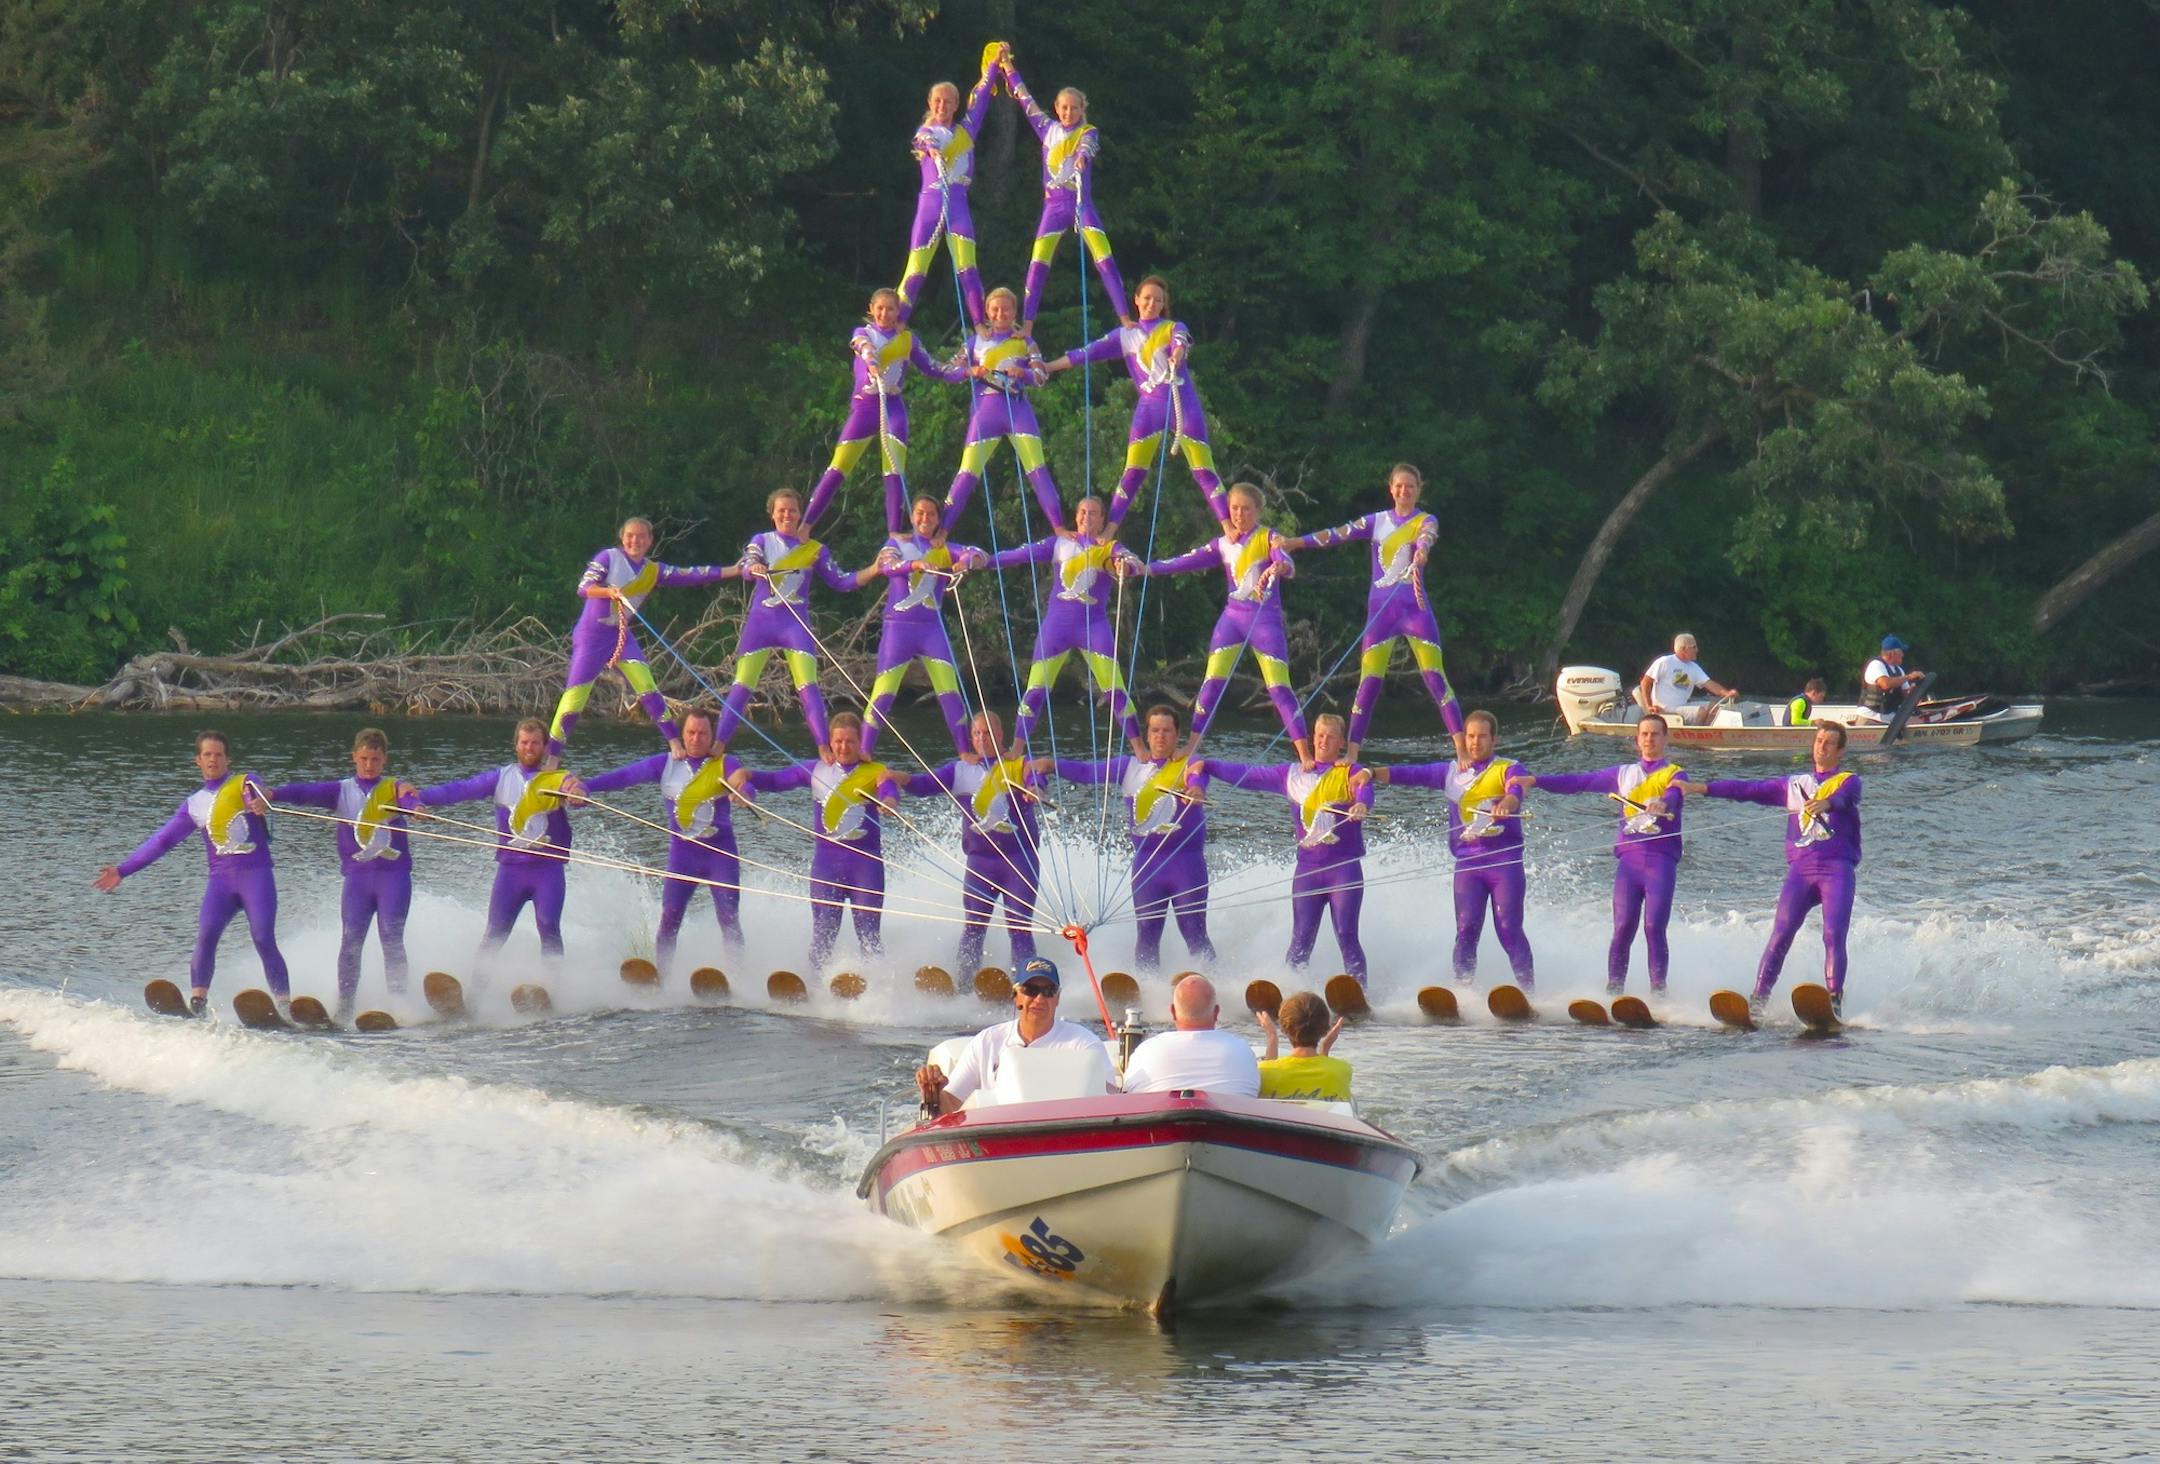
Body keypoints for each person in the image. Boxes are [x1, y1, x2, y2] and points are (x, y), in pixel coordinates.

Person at [94, 729, 290, 1016]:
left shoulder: (244, 783)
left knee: (262, 937)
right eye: (207, 755)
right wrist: (123, 870)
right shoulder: (194, 804)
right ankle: (198, 1002)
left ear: (228, 759)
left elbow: (256, 790)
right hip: (221, 882)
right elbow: (162, 841)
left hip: (256, 875)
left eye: (219, 755)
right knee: (206, 934)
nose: (213, 760)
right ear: (197, 760)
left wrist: (258, 801)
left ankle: (284, 1005)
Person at [1677, 722, 1863, 1018]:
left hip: (1836, 869)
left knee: (1833, 934)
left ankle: (1834, 999)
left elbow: (1845, 799)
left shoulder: (1848, 780)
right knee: (1781, 933)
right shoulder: (1794, 785)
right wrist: (1700, 788)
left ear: (1840, 751)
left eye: (1829, 742)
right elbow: (1747, 789)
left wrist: (1827, 803)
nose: (1821, 746)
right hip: (1801, 870)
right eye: (1818, 740)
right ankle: (1759, 999)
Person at [1121, 481, 1311, 764]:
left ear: (1258, 511)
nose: (1239, 514)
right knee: (1211, 683)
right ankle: (1191, 746)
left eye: (1246, 509)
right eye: (1234, 508)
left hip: (1264, 623)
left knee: (1279, 688)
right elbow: (1185, 561)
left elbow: (1285, 560)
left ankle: (1305, 755)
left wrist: (1281, 566)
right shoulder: (1223, 544)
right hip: (1232, 620)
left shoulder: (1269, 538)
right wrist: (1147, 569)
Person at [1287, 463, 1465, 762]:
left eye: (1410, 486)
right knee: (1368, 683)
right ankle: (1352, 755)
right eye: (1399, 486)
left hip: (1415, 613)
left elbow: (1428, 535)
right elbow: (1336, 534)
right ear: (1391, 489)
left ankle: (1462, 751)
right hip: (1380, 615)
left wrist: (1422, 550)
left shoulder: (1425, 520)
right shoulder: (1376, 521)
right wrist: (1296, 543)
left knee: (1435, 677)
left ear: (1418, 489)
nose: (1404, 491)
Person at [1188, 713, 1374, 983]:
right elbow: (1248, 776)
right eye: (1320, 735)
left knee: (1346, 934)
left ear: (1341, 743)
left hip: (1343, 870)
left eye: (1331, 737)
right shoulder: (1292, 774)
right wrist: (1210, 766)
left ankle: (1360, 989)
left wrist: (1361, 804)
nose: (1324, 741)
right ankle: (1292, 988)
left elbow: (1365, 790)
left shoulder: (1350, 772)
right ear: (1312, 739)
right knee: (1301, 938)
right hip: (1307, 871)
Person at [1515, 714, 1686, 995]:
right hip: (1629, 862)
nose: (1649, 739)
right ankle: (1614, 990)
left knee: (1653, 927)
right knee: (1623, 927)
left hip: (1661, 861)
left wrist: (1662, 804)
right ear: (1637, 739)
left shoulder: (1675, 774)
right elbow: (1579, 781)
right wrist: (1536, 780)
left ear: (1665, 739)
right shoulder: (1623, 774)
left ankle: (1659, 992)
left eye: (1655, 734)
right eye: (1644, 734)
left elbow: (1674, 796)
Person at [576, 708, 752, 981]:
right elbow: (625, 777)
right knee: (670, 916)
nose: (696, 739)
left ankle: (739, 976)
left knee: (729, 915)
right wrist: (586, 787)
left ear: (712, 736)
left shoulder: (725, 762)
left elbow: (742, 781)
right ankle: (663, 976)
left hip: (720, 854)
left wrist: (744, 793)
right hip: (683, 855)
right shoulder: (665, 764)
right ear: (682, 734)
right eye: (691, 732)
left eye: (703, 733)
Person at [546, 516, 737, 764]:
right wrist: (608, 591)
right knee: (574, 699)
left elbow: (692, 574)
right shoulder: (608, 557)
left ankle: (674, 742)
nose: (634, 541)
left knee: (647, 685)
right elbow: (584, 587)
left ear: (649, 541)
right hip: (591, 637)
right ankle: (551, 757)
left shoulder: (652, 571)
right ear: (622, 538)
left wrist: (734, 570)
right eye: (630, 536)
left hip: (620, 636)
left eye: (641, 537)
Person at [1043, 275, 1226, 527]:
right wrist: (1047, 367)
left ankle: (1229, 526)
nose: (1152, 303)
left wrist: (1177, 355)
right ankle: (1109, 530)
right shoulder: (1125, 335)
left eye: (1158, 300)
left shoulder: (1173, 327)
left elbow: (1180, 341)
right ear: (1136, 300)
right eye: (1147, 298)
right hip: (1150, 408)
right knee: (1132, 473)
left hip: (1183, 404)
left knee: (1204, 470)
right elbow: (1084, 354)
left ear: (1163, 304)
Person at [413, 719, 585, 986]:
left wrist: (576, 794)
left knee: (548, 924)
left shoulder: (556, 778)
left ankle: (554, 988)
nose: (529, 748)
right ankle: (476, 993)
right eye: (524, 742)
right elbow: (460, 790)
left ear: (544, 747)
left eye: (535, 743)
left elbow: (575, 788)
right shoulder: (501, 778)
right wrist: (418, 799)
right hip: (511, 871)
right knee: (495, 933)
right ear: (516, 745)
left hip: (547, 870)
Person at [1047, 704, 1214, 973]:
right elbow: (1087, 773)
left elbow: (1198, 780)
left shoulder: (1190, 765)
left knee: (1193, 930)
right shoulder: (1129, 767)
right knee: (1147, 933)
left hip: (1186, 865)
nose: (1160, 736)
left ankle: (1210, 981)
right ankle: (1147, 985)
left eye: (1167, 731)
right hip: (1147, 866)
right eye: (1155, 730)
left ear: (1177, 735)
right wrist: (1051, 765)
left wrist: (1196, 790)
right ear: (1146, 735)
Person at [266, 727, 416, 1021]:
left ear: (384, 759)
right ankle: (345, 1005)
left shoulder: (394, 789)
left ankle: (399, 1005)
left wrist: (416, 806)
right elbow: (304, 793)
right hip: (357, 880)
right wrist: (273, 794)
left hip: (393, 877)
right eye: (364, 759)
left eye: (375, 759)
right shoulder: (341, 790)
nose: (369, 765)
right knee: (351, 940)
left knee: (391, 937)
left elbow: (409, 799)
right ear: (354, 757)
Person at [1378, 709, 1535, 990]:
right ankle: (1463, 990)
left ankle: (1528, 991)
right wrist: (1371, 773)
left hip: (1504, 863)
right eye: (1470, 736)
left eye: (1482, 737)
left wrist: (1507, 804)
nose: (1475, 742)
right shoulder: (1451, 772)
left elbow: (1516, 792)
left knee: (1508, 928)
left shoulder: (1510, 768)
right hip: (1468, 865)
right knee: (1466, 929)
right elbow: (1408, 774)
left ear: (1494, 739)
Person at [716, 488, 884, 751]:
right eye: (781, 510)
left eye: (792, 510)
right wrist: (754, 567)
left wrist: (874, 569)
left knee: (808, 686)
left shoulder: (814, 550)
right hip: (760, 624)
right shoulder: (762, 540)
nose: (787, 515)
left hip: (794, 625)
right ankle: (717, 746)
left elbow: (842, 582)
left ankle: (824, 749)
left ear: (800, 515)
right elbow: (748, 564)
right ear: (772, 514)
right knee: (742, 685)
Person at [985, 494, 1147, 758]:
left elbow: (1133, 562)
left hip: (1093, 628)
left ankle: (1140, 749)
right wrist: (984, 560)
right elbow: (1019, 554)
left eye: (1093, 513)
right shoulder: (1059, 543)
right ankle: (1016, 749)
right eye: (1082, 512)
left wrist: (1125, 566)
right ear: (1075, 516)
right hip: (1056, 628)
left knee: (1115, 690)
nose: (1086, 517)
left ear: (1103, 520)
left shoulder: (1109, 547)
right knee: (1035, 690)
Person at [743, 712, 905, 971]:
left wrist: (889, 801)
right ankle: (815, 983)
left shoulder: (875, 771)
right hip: (827, 866)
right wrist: (746, 775)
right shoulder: (816, 769)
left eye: (850, 741)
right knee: (824, 931)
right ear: (830, 742)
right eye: (838, 741)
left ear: (860, 743)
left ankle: (878, 985)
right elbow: (775, 780)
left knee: (869, 932)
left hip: (866, 866)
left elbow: (889, 789)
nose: (843, 747)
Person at [802, 290, 971, 534]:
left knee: (894, 468)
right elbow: (864, 348)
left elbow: (935, 369)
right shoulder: (862, 333)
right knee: (839, 466)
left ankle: (894, 531)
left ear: (898, 312)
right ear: (871, 308)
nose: (884, 313)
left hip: (892, 406)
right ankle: (806, 525)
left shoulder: (907, 340)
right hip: (865, 407)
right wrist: (872, 364)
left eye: (890, 309)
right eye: (880, 308)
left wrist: (966, 372)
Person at [1000, 55, 1130, 333]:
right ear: (1057, 108)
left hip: (1081, 204)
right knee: (1038, 263)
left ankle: (1125, 319)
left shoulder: (1088, 131)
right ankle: (1027, 326)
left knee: (1104, 258)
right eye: (1064, 107)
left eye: (1074, 108)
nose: (1068, 112)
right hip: (1054, 206)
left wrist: (1082, 157)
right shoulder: (1047, 129)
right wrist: (1009, 68)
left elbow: (1088, 145)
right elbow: (1024, 98)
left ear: (1082, 109)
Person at [911, 711, 1045, 979]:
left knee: (1019, 926)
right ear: (971, 738)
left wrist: (1035, 789)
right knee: (974, 925)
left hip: (1019, 860)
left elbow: (1036, 778)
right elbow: (923, 786)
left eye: (988, 733)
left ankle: (1026, 982)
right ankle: (964, 981)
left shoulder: (1018, 764)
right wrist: (896, 778)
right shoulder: (960, 770)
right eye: (976, 733)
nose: (982, 738)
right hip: (980, 862)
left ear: (1000, 735)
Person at [939, 285, 1068, 534]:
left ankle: (1059, 528)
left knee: (1037, 469)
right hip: (985, 413)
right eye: (995, 309)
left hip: (1017, 411)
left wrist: (1024, 373)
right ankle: (943, 531)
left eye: (1006, 309)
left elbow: (1041, 376)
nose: (1000, 314)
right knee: (967, 473)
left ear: (1014, 312)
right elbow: (948, 372)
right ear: (987, 312)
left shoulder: (1025, 342)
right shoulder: (975, 342)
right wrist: (969, 371)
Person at [864, 493, 984, 760]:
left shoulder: (944, 548)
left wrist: (965, 562)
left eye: (931, 514)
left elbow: (979, 554)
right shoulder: (897, 543)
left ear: (939, 520)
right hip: (898, 629)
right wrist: (914, 564)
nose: (924, 518)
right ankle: (864, 751)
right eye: (920, 513)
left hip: (931, 630)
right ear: (911, 516)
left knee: (950, 691)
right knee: (884, 693)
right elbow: (886, 565)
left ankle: (964, 752)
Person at [915, 956, 1109, 1114]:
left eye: (1048, 991)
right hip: (996, 1137)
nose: (1039, 998)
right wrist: (934, 1092)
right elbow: (952, 1106)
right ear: (1017, 997)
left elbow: (1110, 1101)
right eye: (1031, 990)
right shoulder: (987, 1042)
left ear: (1057, 998)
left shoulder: (1084, 1045)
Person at [894, 48, 1004, 328]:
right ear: (930, 103)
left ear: (956, 105)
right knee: (916, 268)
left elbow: (981, 100)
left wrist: (994, 65)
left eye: (948, 102)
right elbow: (923, 141)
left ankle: (980, 326)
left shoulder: (965, 132)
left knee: (967, 267)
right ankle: (896, 324)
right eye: (937, 101)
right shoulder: (925, 132)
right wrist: (933, 151)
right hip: (931, 203)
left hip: (957, 203)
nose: (942, 106)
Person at [1119, 974, 1261, 1096]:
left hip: (1160, 1120)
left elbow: (1127, 1094)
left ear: (1173, 1012)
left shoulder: (1147, 1050)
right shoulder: (1242, 1051)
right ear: (1216, 1012)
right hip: (1230, 1120)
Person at [1256, 991, 1352, 1102]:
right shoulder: (1342, 1070)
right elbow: (1325, 1076)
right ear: (1325, 1030)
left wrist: (1272, 1037)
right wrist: (1325, 1048)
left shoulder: (1264, 1071)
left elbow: (1268, 1073)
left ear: (1283, 1029)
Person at [1637, 633, 1738, 727]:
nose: (1697, 650)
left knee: (1713, 707)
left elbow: (1709, 684)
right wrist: (1649, 706)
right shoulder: (1664, 662)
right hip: (1664, 708)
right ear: (1683, 649)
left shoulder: (1693, 667)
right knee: (1700, 712)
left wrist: (1727, 693)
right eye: (1694, 647)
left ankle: (1703, 733)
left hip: (1682, 706)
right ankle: (1694, 735)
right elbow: (1645, 682)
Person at [1860, 636, 1927, 717]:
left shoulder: (1899, 670)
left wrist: (1915, 687)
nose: (1903, 655)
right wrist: (1909, 677)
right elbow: (1885, 684)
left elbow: (1906, 695)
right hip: (1870, 714)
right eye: (1901, 652)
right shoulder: (1876, 665)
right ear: (1892, 654)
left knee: (1916, 719)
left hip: (1888, 715)